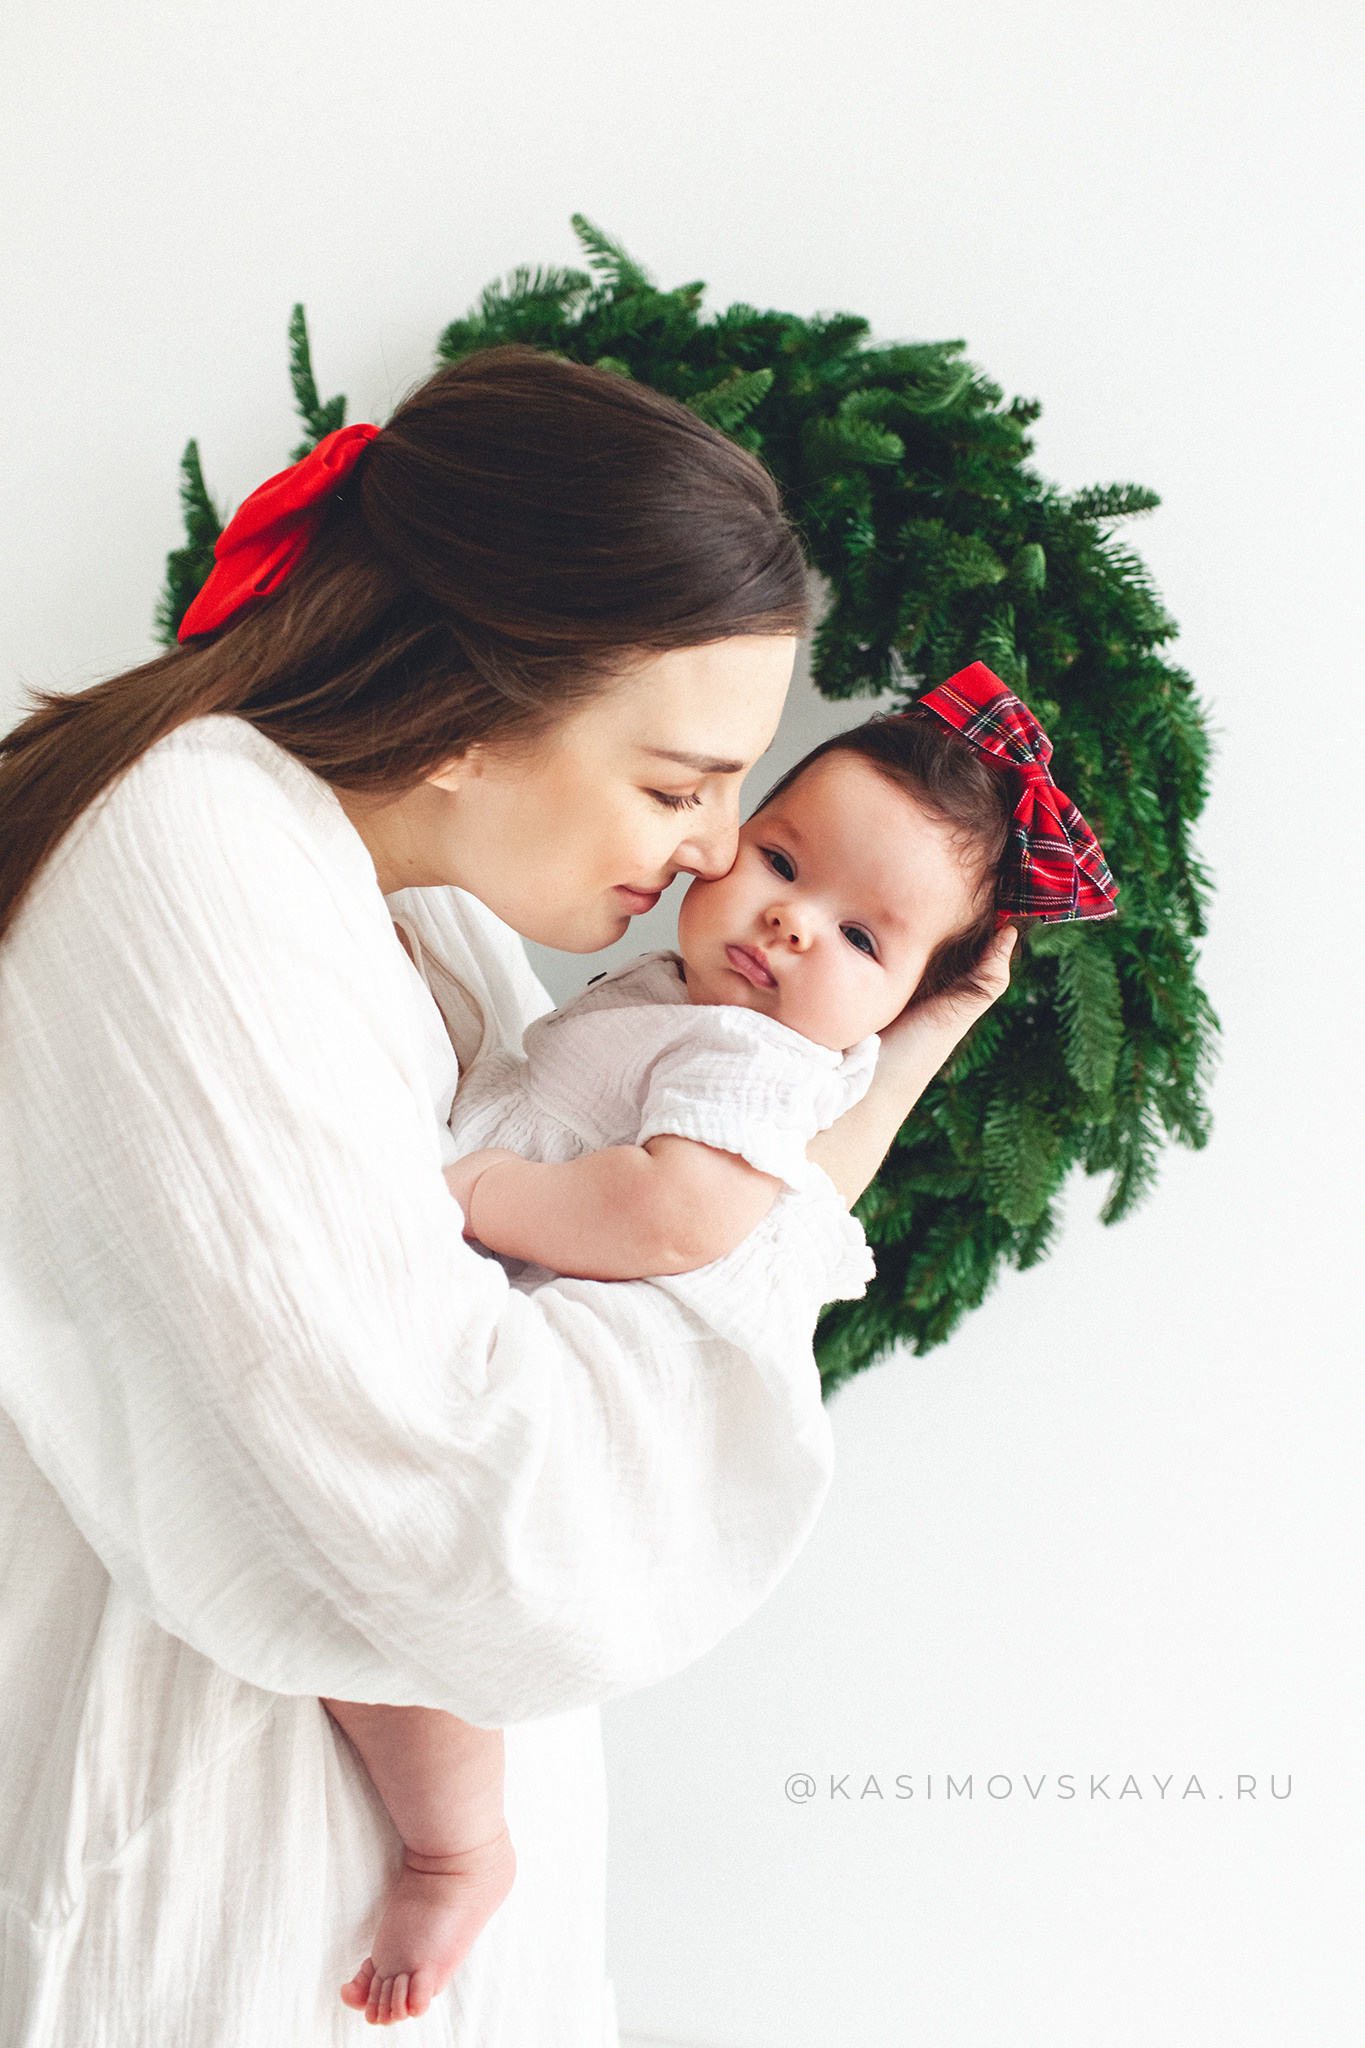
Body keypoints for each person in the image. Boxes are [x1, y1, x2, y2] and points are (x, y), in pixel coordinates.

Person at [0, 349, 1020, 2046]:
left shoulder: (438, 930)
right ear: (479, 698)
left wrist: (895, 1059)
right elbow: (476, 1524)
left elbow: (643, 1267)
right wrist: (711, 1232)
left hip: (373, 1885)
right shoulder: (189, 854)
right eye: (679, 783)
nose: (707, 856)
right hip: (225, 1889)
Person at [324, 667, 1117, 2024]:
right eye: (781, 860)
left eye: (863, 941)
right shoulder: (686, 1002)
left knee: (388, 1611)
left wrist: (463, 1196)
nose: (790, 926)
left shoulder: (753, 1064)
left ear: (899, 1009)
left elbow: (679, 1210)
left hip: (590, 1393)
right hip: (533, 1318)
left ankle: (455, 1841)